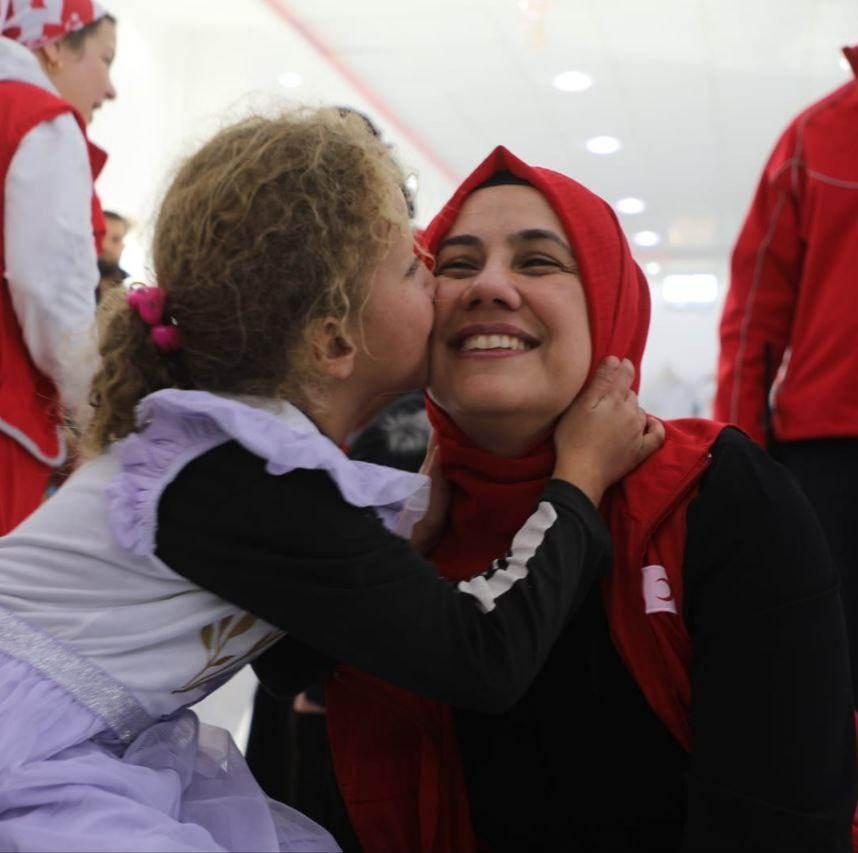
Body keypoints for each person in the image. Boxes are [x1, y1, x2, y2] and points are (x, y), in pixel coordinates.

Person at [0, 110, 661, 852]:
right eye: (418, 268)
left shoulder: (241, 459)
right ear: (336, 341)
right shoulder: (246, 472)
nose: (445, 287)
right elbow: (482, 658)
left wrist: (410, 537)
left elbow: (291, 655)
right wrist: (579, 476)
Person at [325, 146, 858, 853]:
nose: (490, 286)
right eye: (455, 264)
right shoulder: (396, 526)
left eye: (537, 261)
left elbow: (786, 816)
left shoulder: (714, 494)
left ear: (610, 300)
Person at [714, 44, 858, 698]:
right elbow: (754, 314)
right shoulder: (814, 139)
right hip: (831, 456)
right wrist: (739, 456)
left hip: (825, 451)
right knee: (824, 668)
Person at [0, 0, 116, 534]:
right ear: (53, 48)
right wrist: (99, 415)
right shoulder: (36, 121)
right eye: (104, 59)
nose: (110, 87)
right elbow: (52, 292)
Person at [97, 209, 129, 302]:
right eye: (99, 236)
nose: (105, 246)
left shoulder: (131, 292)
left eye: (115, 239)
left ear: (122, 246)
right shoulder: (68, 288)